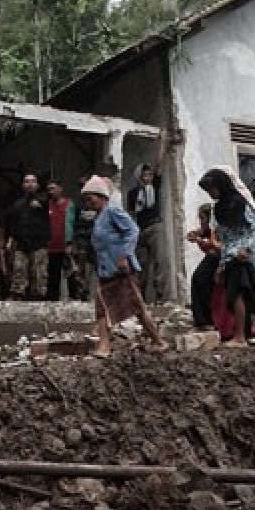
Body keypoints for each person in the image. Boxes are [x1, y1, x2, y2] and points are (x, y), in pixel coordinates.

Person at [198, 167, 255, 345]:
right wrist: (222, 265)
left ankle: (240, 337)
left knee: (238, 294)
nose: (211, 193)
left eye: (212, 189)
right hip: (230, 257)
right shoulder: (219, 210)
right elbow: (225, 238)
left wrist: (247, 248)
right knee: (245, 298)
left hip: (242, 257)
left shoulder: (239, 203)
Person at [80, 176, 168, 356]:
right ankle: (104, 346)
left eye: (91, 198)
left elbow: (133, 230)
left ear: (102, 196)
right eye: (87, 200)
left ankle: (158, 341)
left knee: (137, 307)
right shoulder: (99, 217)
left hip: (121, 270)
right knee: (101, 309)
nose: (89, 203)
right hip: (106, 271)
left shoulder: (113, 211)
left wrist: (124, 254)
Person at [127, 134, 168, 303]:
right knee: (141, 265)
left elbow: (159, 164)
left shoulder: (154, 187)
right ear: (139, 177)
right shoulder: (133, 193)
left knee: (159, 262)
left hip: (155, 227)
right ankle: (141, 297)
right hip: (140, 231)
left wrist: (162, 142)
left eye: (149, 175)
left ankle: (159, 296)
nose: (148, 177)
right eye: (144, 175)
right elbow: (131, 212)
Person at [5, 174, 50, 300]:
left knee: (39, 274)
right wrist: (10, 239)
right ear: (23, 185)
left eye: (33, 181)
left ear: (37, 185)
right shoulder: (18, 204)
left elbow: (49, 202)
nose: (30, 184)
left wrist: (41, 203)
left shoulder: (45, 199)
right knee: (19, 272)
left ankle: (39, 299)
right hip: (21, 243)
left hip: (39, 243)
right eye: (27, 182)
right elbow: (12, 223)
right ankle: (18, 297)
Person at [187, 204, 220, 331]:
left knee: (201, 281)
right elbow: (204, 232)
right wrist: (197, 235)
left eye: (202, 218)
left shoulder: (218, 228)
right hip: (212, 257)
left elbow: (214, 244)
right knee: (199, 281)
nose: (201, 222)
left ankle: (206, 319)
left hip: (216, 258)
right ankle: (203, 319)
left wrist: (199, 240)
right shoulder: (209, 230)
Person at [45, 180, 76, 301]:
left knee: (71, 273)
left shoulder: (69, 204)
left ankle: (74, 299)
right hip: (51, 247)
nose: (51, 191)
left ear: (60, 189)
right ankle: (53, 300)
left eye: (53, 188)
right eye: (49, 189)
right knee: (53, 275)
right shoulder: (47, 205)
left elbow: (71, 224)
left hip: (66, 246)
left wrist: (70, 243)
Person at [69, 180, 99, 301]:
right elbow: (70, 223)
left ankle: (92, 294)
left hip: (95, 240)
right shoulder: (76, 203)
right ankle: (81, 294)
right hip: (81, 240)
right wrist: (70, 242)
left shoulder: (97, 203)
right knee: (80, 269)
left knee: (93, 268)